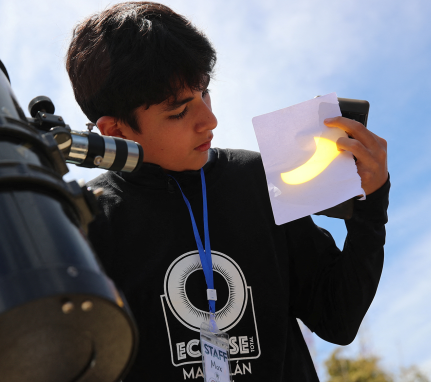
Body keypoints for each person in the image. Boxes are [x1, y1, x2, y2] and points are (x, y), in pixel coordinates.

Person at [67, 2, 389, 381]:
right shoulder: (87, 220)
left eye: (204, 94)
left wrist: (372, 204)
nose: (209, 120)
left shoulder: (258, 178)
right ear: (116, 130)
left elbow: (338, 318)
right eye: (179, 112)